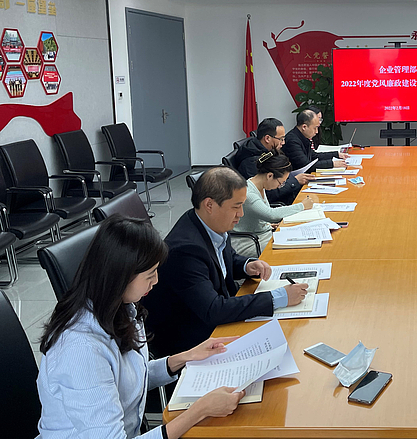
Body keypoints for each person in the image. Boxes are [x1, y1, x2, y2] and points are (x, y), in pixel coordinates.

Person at [37, 214, 244, 439]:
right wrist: (199, 411)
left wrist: (185, 358)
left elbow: (129, 380)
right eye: (150, 274)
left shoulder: (121, 308)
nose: (156, 281)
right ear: (121, 275)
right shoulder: (80, 350)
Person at [142, 167, 308, 357]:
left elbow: (223, 259)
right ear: (209, 205)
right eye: (236, 207)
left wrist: (246, 265)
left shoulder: (209, 223)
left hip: (213, 318)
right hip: (191, 340)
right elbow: (214, 310)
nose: (241, 214)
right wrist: (278, 297)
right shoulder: (185, 250)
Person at [234, 151, 314, 246]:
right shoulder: (249, 194)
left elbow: (258, 216)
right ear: (270, 176)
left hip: (262, 234)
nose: (279, 186)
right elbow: (271, 214)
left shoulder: (259, 185)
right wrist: (302, 206)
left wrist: (267, 225)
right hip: (249, 242)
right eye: (281, 183)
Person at [236, 117, 314, 204]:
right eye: (281, 139)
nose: (283, 142)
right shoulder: (251, 162)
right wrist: (294, 181)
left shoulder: (267, 151)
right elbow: (268, 194)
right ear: (267, 138)